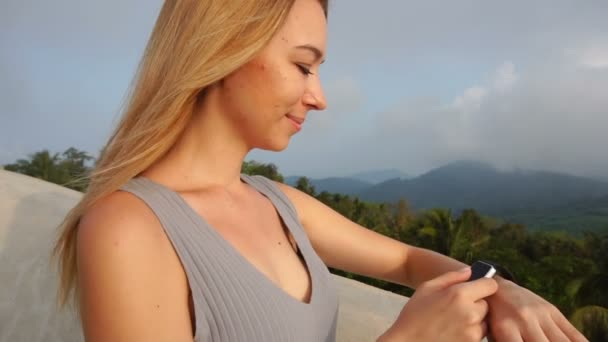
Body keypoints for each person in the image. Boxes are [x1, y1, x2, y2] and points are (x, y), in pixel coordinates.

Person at [53, 0, 588, 341]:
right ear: (220, 50)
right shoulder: (128, 228)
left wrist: (499, 287)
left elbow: (405, 259)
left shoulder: (278, 203)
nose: (320, 97)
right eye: (304, 66)